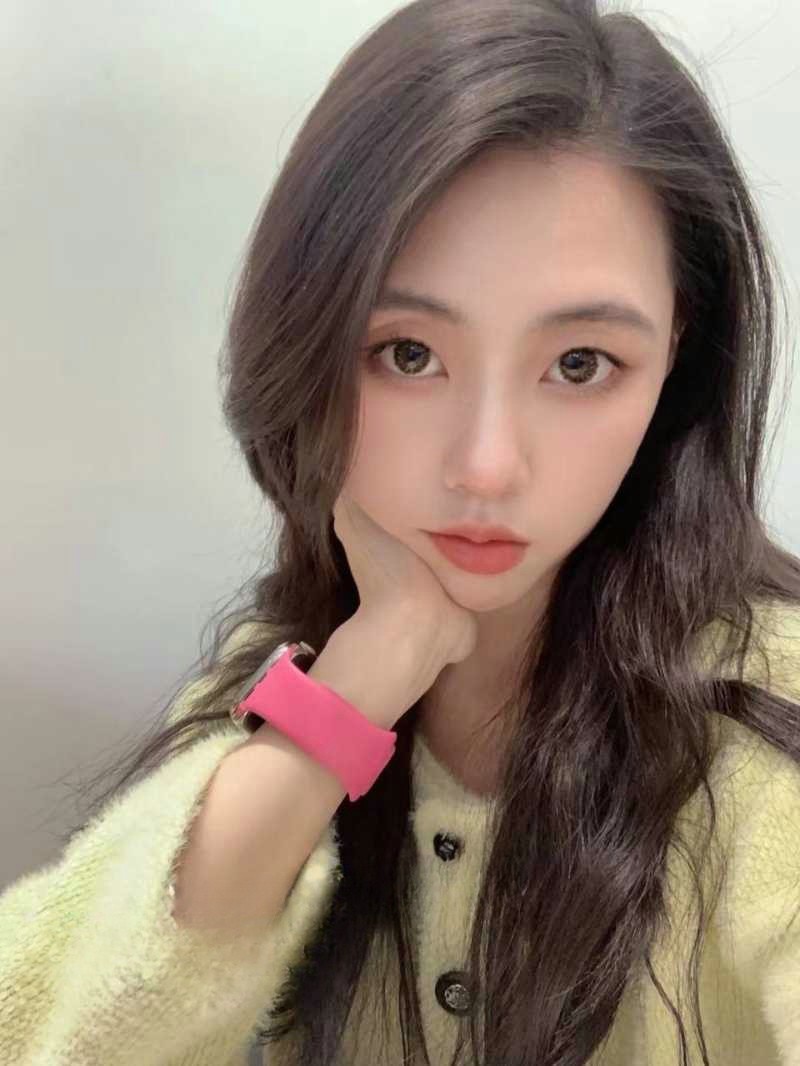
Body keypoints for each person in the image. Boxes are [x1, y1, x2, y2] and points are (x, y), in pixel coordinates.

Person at [2, 0, 800, 1063]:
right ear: (309, 344)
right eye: (408, 354)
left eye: (578, 365)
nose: (486, 465)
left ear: (675, 359)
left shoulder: (765, 713)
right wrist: (348, 698)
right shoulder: (277, 689)